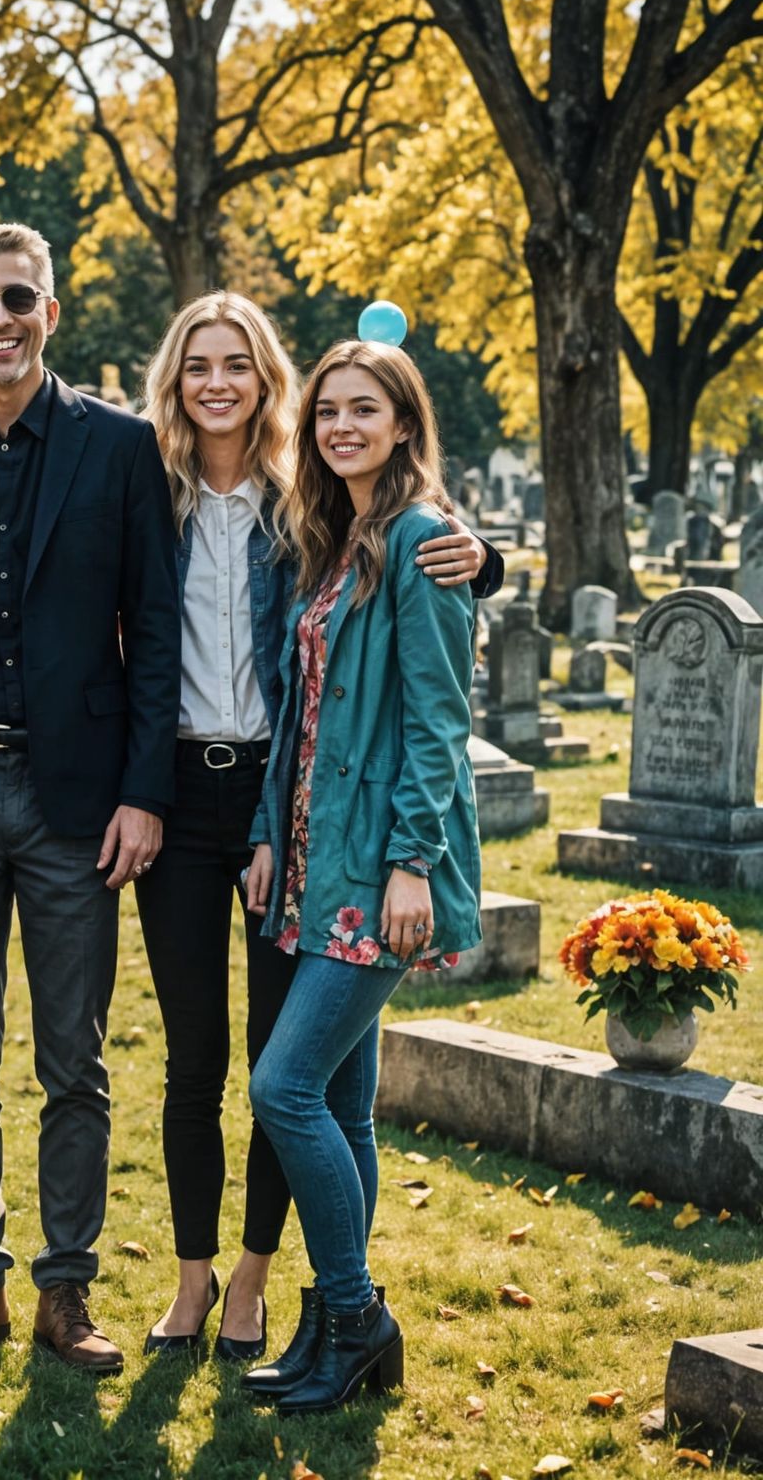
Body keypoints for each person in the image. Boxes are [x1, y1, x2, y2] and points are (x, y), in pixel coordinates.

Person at [133, 296, 499, 1359]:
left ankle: (308, 1298)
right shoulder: (191, 502)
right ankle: (268, 1296)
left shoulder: (352, 523)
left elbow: (433, 694)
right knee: (270, 1081)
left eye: (237, 363)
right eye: (196, 361)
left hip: (330, 831)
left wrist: (482, 560)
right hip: (241, 819)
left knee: (281, 1074)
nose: (216, 381)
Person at [0, 223, 179, 1376]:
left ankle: (67, 1290)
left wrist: (144, 793)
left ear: (49, 310)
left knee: (75, 1060)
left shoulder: (120, 446)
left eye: (17, 297)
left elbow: (152, 628)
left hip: (78, 801)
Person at [240, 338, 483, 1412]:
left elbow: (439, 725)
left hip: (375, 868)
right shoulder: (334, 541)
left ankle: (354, 1313)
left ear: (402, 424)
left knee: (281, 1088)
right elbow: (292, 720)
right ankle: (334, 1325)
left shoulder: (424, 544)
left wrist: (410, 866)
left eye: (364, 409)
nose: (340, 425)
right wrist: (261, 831)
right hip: (308, 852)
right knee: (343, 1109)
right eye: (326, 408)